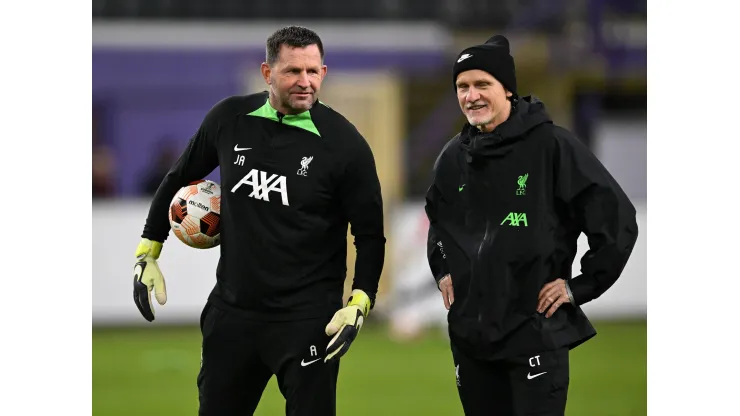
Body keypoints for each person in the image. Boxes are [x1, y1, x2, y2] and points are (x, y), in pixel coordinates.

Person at [131, 26, 386, 416]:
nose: (305, 82)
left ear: (324, 71)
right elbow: (178, 178)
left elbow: (370, 235)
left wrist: (360, 299)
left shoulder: (345, 145)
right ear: (267, 73)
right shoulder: (230, 119)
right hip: (233, 315)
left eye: (313, 71)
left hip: (307, 320)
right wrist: (149, 248)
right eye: (293, 72)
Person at [425, 34, 638, 416]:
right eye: (462, 86)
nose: (471, 95)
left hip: (535, 336)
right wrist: (442, 270)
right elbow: (439, 223)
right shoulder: (453, 157)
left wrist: (580, 286)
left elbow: (617, 220)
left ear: (507, 90)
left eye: (482, 84)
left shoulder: (553, 146)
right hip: (472, 340)